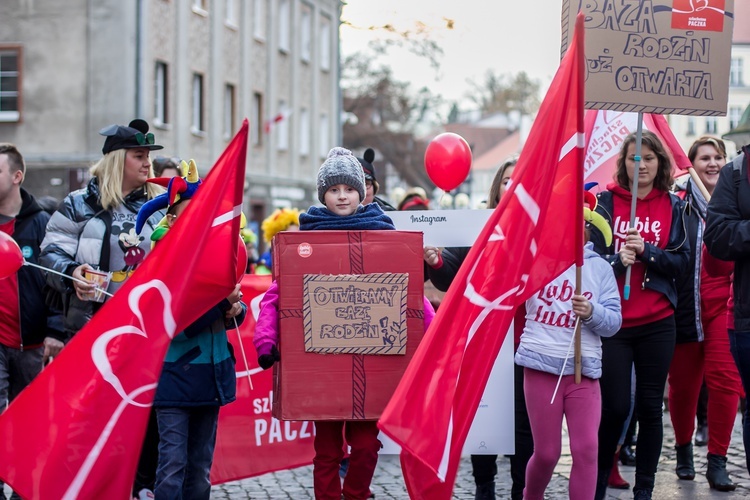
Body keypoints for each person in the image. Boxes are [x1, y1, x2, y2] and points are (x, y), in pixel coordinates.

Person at [253, 147, 435, 500]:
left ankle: (355, 496)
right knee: (327, 452)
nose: (341, 196)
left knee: (366, 447)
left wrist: (432, 339)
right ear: (323, 194)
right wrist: (266, 341)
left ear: (362, 192)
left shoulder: (385, 235)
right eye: (334, 190)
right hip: (322, 369)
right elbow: (278, 295)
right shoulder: (306, 238)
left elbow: (411, 293)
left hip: (375, 367)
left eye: (349, 189)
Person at [39, 119, 166, 499]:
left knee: (146, 420)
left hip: (145, 333)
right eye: (139, 156)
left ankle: (143, 489)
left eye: (148, 157)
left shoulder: (160, 205)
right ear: (116, 160)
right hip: (92, 333)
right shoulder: (79, 204)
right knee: (92, 422)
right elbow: (50, 252)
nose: (147, 165)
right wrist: (71, 271)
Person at [135, 161, 246, 500]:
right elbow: (176, 324)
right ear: (171, 218)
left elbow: (229, 318)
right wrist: (220, 302)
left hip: (210, 377)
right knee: (171, 468)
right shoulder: (163, 263)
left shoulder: (216, 255)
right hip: (174, 379)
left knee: (199, 469)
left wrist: (234, 309)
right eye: (189, 213)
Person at [423, 156, 530, 500]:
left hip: (526, 337)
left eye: (519, 179)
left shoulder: (539, 225)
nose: (512, 185)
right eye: (506, 179)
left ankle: (521, 486)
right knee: (484, 413)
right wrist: (436, 260)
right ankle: (484, 485)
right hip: (483, 337)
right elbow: (451, 269)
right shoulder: (476, 225)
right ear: (497, 185)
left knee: (522, 420)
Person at [591, 131, 690, 500]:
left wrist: (648, 251)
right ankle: (597, 480)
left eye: (649, 158)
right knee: (615, 407)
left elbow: (682, 262)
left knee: (650, 407)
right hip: (614, 323)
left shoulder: (675, 206)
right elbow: (589, 258)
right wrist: (619, 259)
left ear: (659, 162)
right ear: (625, 163)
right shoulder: (605, 203)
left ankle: (644, 489)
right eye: (635, 158)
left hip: (657, 322)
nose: (642, 165)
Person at [517, 206, 622, 500]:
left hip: (583, 372)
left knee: (587, 450)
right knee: (547, 454)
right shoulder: (534, 260)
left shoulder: (599, 268)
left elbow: (613, 322)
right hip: (541, 367)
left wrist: (591, 312)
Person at [667, 136, 739, 490]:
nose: (713, 163)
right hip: (684, 305)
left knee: (727, 382)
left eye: (719, 158)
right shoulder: (677, 204)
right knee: (683, 388)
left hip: (725, 304)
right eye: (705, 158)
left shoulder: (736, 203)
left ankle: (718, 460)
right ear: (691, 164)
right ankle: (683, 450)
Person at [0, 144, 64, 500]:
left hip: (33, 344)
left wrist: (56, 331)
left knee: (30, 424)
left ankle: (24, 489)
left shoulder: (41, 223)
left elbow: (54, 284)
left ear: (16, 176)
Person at [704, 141, 750, 478]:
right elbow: (717, 237)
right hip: (742, 315)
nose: (710, 163)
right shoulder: (735, 173)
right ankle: (710, 458)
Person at [256, 207, 301, 274]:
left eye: (297, 235)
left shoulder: (301, 258)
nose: (295, 240)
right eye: (290, 236)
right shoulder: (266, 261)